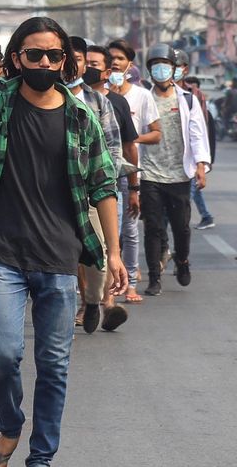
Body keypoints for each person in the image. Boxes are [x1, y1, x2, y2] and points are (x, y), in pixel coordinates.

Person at [0, 0, 127, 465]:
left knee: (55, 365)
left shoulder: (82, 117)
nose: (44, 63)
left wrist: (115, 251)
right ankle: (9, 427)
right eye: (33, 54)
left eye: (52, 55)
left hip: (60, 258)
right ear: (16, 58)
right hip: (1, 254)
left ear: (64, 60)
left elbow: (104, 185)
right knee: (3, 355)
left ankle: (40, 457)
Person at [64, 37, 129, 334]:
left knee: (97, 251)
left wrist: (101, 182)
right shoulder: (46, 95)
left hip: (91, 193)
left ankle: (92, 302)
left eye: (79, 58)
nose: (75, 64)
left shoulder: (99, 102)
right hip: (54, 193)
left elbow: (114, 149)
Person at [140, 44, 211, 296]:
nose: (161, 70)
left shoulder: (187, 99)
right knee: (153, 228)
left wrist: (201, 166)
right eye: (156, 65)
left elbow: (197, 135)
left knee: (181, 228)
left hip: (180, 174)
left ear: (173, 69)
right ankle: (154, 277)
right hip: (150, 174)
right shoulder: (144, 98)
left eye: (165, 65)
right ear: (150, 70)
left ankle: (182, 260)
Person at [108, 38, 162, 304]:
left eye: (120, 58)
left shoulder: (141, 96)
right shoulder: (97, 93)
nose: (115, 62)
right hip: (100, 173)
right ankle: (100, 288)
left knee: (129, 230)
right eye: (111, 58)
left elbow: (156, 133)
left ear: (129, 64)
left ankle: (128, 282)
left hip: (129, 172)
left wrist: (131, 140)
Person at [175, 51, 216, 230]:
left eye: (177, 65)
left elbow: (201, 129)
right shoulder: (153, 93)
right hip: (167, 161)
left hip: (190, 157)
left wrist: (203, 161)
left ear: (185, 68)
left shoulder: (193, 95)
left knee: (181, 204)